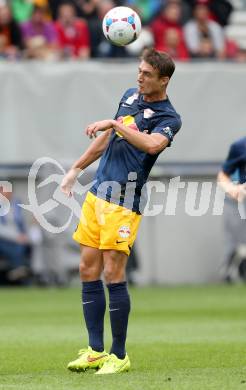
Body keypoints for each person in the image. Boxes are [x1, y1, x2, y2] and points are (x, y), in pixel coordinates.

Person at [61, 48, 182, 374]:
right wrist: (76, 168)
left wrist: (115, 123)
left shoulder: (169, 118)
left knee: (113, 273)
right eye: (139, 71)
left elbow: (152, 145)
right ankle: (95, 350)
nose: (139, 77)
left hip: (124, 201)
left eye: (146, 74)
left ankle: (119, 354)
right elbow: (106, 140)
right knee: (88, 269)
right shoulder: (130, 96)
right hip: (98, 194)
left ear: (163, 80)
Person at [217, 137, 246, 281]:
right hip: (237, 201)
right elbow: (224, 175)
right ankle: (228, 273)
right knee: (235, 242)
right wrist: (232, 189)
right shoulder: (240, 147)